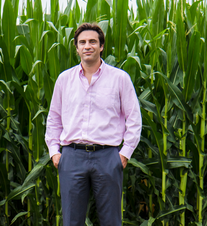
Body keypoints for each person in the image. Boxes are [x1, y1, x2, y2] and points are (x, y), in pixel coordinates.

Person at [45, 23, 142, 226]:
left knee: (111, 221)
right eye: (82, 42)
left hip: (108, 156)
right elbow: (54, 118)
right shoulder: (64, 80)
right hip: (72, 156)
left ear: (101, 47)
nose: (87, 46)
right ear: (76, 47)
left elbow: (134, 119)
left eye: (92, 42)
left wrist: (124, 154)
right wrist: (54, 151)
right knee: (72, 221)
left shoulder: (119, 79)